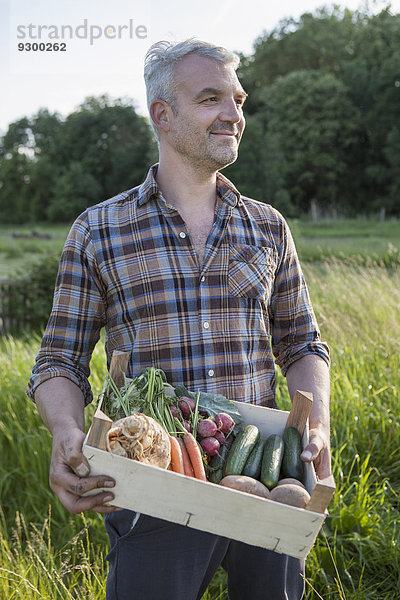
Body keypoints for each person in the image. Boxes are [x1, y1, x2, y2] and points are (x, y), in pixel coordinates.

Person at [27, 38, 331, 600]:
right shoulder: (99, 230)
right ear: (162, 115)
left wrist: (318, 424)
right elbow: (58, 360)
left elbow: (302, 342)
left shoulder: (267, 227)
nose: (234, 114)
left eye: (238, 99)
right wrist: (67, 432)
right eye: (211, 98)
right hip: (150, 482)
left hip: (263, 479)